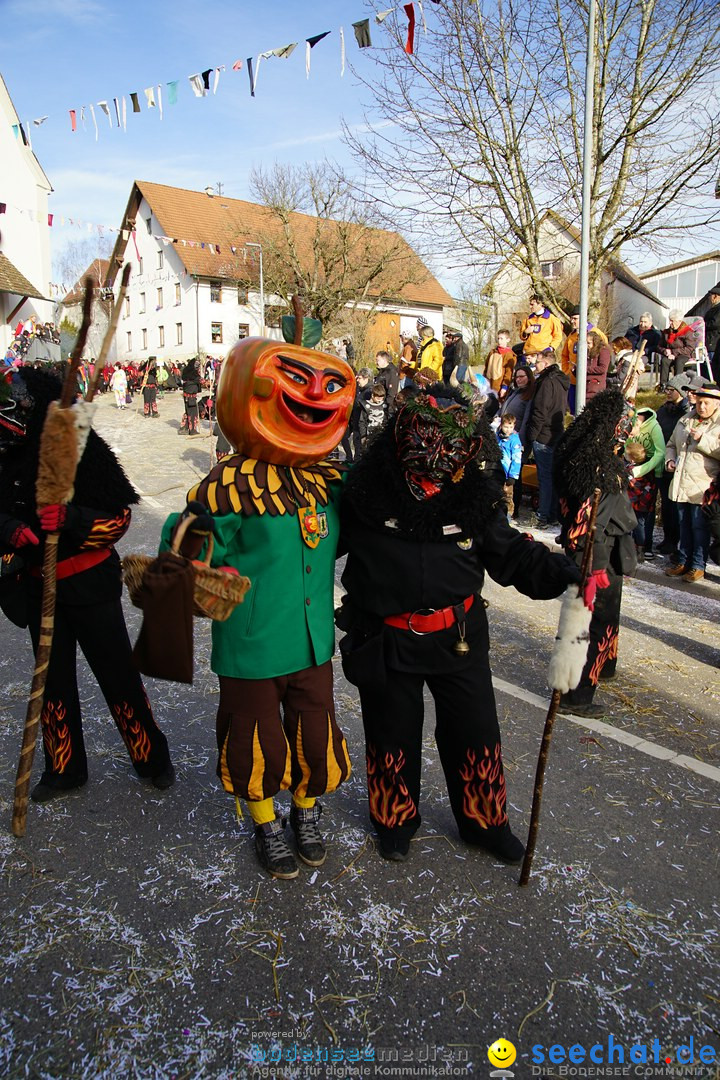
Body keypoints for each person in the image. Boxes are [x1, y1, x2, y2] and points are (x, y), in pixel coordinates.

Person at [336, 383, 581, 865]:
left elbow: (511, 556)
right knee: (392, 733)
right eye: (428, 437)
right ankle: (394, 819)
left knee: (475, 732)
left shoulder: (476, 496)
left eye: (451, 443)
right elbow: (313, 541)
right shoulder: (364, 491)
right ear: (404, 433)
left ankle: (485, 824)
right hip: (385, 638)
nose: (437, 453)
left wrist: (561, 569)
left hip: (459, 639)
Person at [162, 337, 356, 879]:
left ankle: (305, 811)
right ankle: (266, 821)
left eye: (331, 384)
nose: (316, 393)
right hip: (251, 643)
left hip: (313, 639)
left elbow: (354, 533)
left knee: (313, 733)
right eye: (297, 379)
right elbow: (180, 555)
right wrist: (204, 574)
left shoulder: (328, 483)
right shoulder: (226, 485)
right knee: (258, 740)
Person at [0, 368, 174, 801]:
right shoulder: (5, 452)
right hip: (40, 590)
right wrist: (9, 530)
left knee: (118, 676)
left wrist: (73, 519)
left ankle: (151, 757)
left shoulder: (82, 449)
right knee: (52, 683)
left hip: (90, 587)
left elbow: (119, 519)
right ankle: (64, 769)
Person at [554, 390, 638, 718]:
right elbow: (592, 523)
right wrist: (596, 567)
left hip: (604, 554)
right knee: (589, 622)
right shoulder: (598, 468)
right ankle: (576, 694)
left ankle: (602, 667)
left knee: (601, 620)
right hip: (595, 556)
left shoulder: (586, 453)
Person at [664, 385, 720, 583]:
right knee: (684, 525)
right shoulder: (686, 418)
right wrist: (669, 460)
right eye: (699, 402)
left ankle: (697, 565)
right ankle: (683, 561)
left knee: (699, 527)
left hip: (703, 485)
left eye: (706, 403)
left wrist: (703, 439)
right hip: (681, 482)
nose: (702, 406)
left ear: (716, 403)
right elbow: (671, 444)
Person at [525, 354, 570, 527]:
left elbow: (540, 411)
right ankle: (552, 515)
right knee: (552, 476)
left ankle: (542, 516)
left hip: (544, 434)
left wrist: (532, 435)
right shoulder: (560, 381)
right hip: (556, 433)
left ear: (546, 363)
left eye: (537, 362)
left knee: (544, 478)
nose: (534, 365)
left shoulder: (546, 382)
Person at [624, 406, 666, 559]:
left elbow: (660, 452)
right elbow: (626, 446)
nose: (631, 432)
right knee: (630, 511)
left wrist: (640, 470)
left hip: (650, 472)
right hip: (633, 467)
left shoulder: (654, 427)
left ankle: (646, 545)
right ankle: (630, 544)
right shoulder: (631, 424)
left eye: (632, 428)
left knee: (645, 513)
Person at [500, 365, 535, 519]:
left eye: (522, 376)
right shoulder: (515, 392)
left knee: (516, 474)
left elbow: (527, 419)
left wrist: (519, 440)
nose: (519, 379)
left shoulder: (528, 395)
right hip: (504, 435)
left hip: (516, 439)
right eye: (517, 376)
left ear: (529, 377)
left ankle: (515, 508)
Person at [658, 311, 699, 387]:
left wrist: (673, 352)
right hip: (670, 354)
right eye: (670, 320)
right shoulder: (666, 332)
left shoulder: (688, 332)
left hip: (684, 354)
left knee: (679, 361)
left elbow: (689, 348)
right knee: (664, 361)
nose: (670, 323)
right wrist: (665, 351)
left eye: (672, 321)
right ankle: (663, 385)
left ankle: (678, 386)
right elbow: (659, 346)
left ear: (679, 321)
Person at [519, 295, 563, 364]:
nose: (530, 306)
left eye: (532, 304)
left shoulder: (552, 319)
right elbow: (522, 337)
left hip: (543, 353)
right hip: (528, 354)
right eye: (530, 304)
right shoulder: (528, 319)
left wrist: (551, 348)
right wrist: (525, 332)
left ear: (540, 304)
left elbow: (558, 336)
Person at [342, 367, 372, 462]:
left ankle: (356, 461)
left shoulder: (369, 392)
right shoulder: (359, 388)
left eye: (359, 378)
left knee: (357, 444)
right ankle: (349, 457)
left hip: (360, 423)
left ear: (366, 378)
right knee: (344, 437)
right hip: (353, 419)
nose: (357, 380)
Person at [496, 413, 523, 518]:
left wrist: (513, 476)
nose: (508, 430)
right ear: (501, 425)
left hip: (508, 475)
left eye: (511, 427)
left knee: (507, 498)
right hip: (497, 472)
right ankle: (497, 518)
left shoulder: (514, 440)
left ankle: (507, 518)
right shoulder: (498, 437)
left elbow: (517, 459)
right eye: (506, 427)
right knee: (497, 497)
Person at [484, 330, 515, 394]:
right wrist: (483, 380)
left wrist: (504, 387)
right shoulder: (492, 352)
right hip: (488, 384)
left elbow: (508, 373)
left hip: (499, 386)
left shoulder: (509, 355)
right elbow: (486, 368)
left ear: (508, 340)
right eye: (498, 338)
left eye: (501, 339)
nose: (499, 341)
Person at [585, 330, 613, 401]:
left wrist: (585, 369)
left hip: (596, 387)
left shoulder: (603, 351)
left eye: (589, 343)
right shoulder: (586, 352)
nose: (587, 345)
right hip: (586, 387)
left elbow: (603, 368)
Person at [180, 357, 202, 435]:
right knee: (192, 413)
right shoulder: (193, 376)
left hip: (188, 397)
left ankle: (186, 428)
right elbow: (198, 380)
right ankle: (192, 430)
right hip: (191, 397)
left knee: (189, 412)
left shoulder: (187, 374)